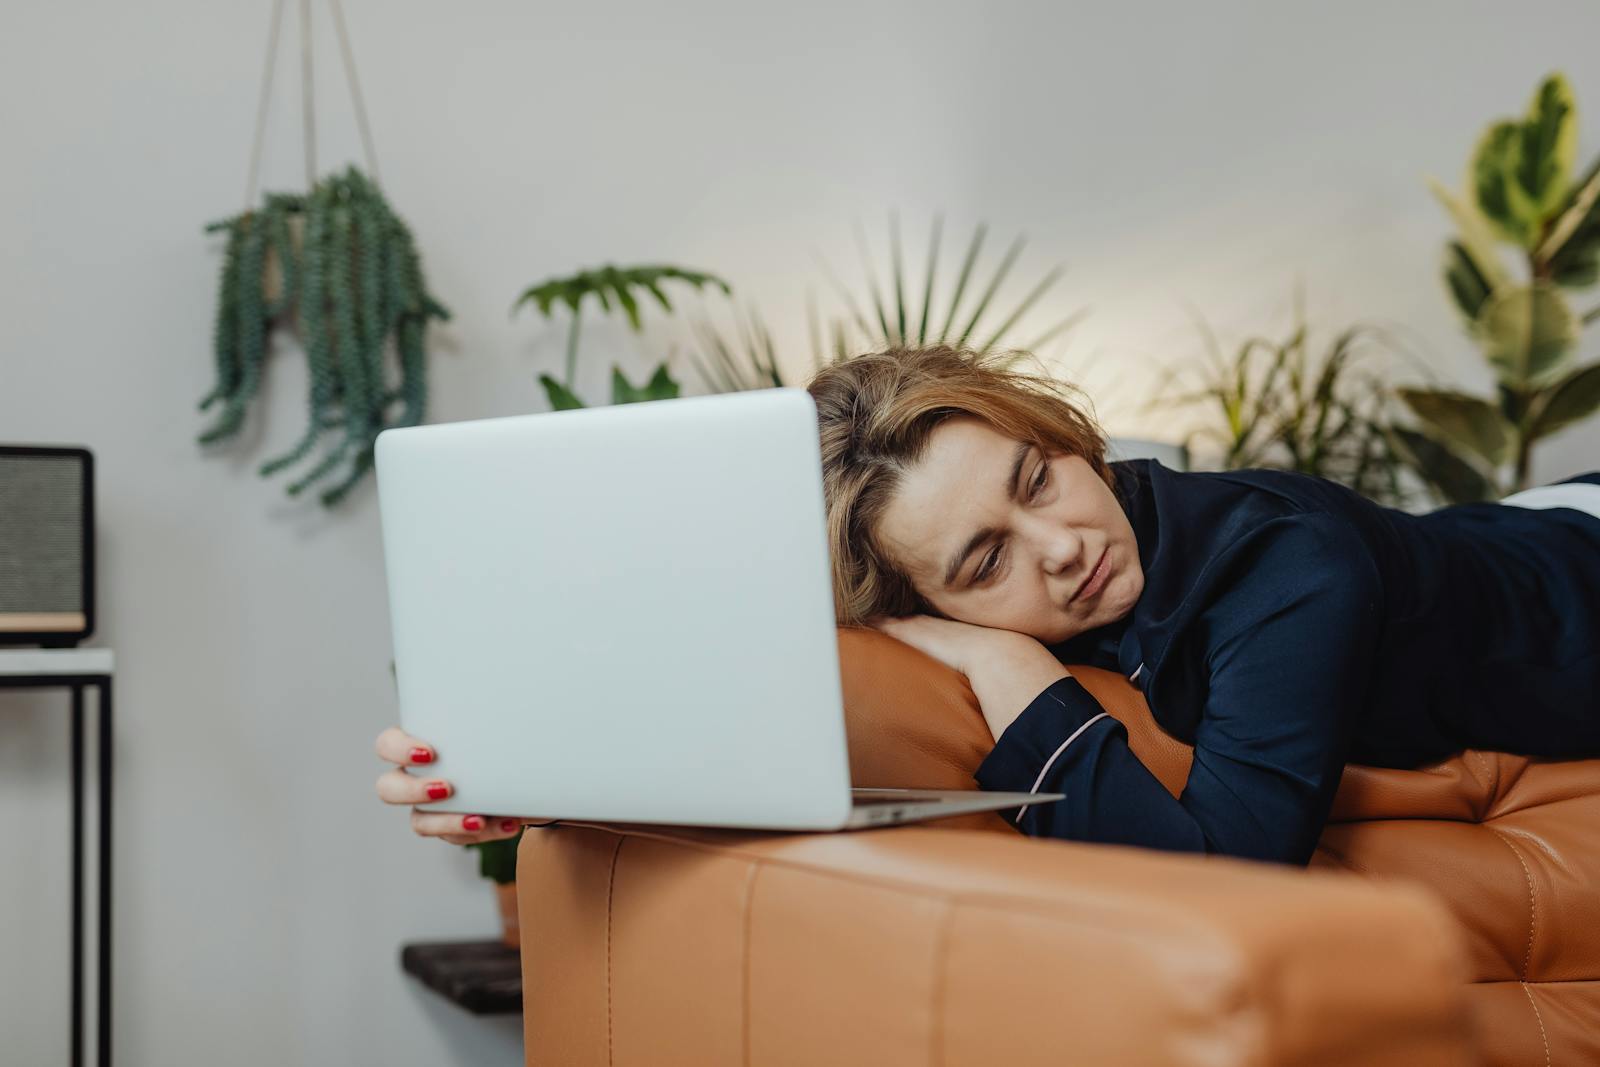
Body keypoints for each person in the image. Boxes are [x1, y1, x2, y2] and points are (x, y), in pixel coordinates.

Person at [375, 344, 1600, 866]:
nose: (1062, 546)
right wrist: (528, 775)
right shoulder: (946, 581)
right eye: (982, 562)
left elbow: (1230, 863)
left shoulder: (1289, 569)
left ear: (1061, 434)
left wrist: (1016, 670)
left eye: (1037, 477)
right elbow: (745, 676)